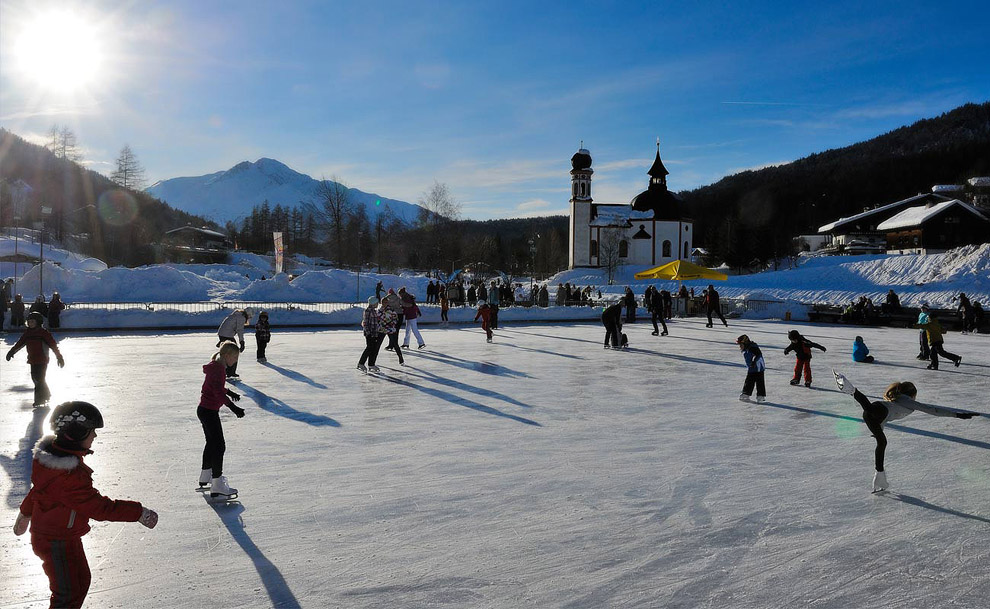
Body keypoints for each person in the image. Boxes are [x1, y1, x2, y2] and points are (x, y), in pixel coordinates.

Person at [13, 401, 159, 609]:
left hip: (61, 536)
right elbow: (98, 507)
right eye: (91, 432)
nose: (95, 437)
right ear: (76, 433)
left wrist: (25, 514)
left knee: (80, 582)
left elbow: (38, 492)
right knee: (68, 593)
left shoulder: (54, 464)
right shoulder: (68, 476)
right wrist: (137, 512)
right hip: (57, 542)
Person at [832, 371, 975, 492]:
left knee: (881, 441)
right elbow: (933, 410)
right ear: (912, 394)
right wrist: (956, 414)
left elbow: (887, 417)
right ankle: (852, 391)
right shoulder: (908, 402)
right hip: (879, 411)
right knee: (872, 418)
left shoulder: (899, 399)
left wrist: (879, 429)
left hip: (875, 416)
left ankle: (879, 476)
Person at [198, 341, 246, 498]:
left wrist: (229, 391)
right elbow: (217, 392)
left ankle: (206, 475)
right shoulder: (219, 370)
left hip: (204, 410)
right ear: (227, 356)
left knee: (212, 443)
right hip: (209, 411)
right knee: (219, 446)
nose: (236, 361)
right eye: (235, 357)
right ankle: (217, 483)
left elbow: (215, 386)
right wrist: (233, 408)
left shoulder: (215, 367)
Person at [6, 312, 65, 406]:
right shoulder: (27, 333)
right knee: (36, 379)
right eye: (29, 322)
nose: (30, 323)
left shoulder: (43, 333)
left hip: (42, 359)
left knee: (39, 379)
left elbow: (53, 345)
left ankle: (39, 399)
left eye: (32, 321)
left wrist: (59, 357)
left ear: (38, 322)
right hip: (32, 359)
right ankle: (47, 395)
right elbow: (20, 343)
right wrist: (12, 351)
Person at [217, 308, 252, 379]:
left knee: (228, 352)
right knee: (234, 352)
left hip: (223, 334)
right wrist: (242, 342)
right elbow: (240, 330)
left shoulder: (237, 314)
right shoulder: (241, 317)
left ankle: (228, 371)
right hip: (227, 335)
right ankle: (230, 372)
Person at [736, 334, 766, 403]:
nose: (740, 346)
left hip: (758, 368)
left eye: (741, 344)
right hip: (752, 368)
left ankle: (760, 396)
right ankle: (746, 394)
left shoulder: (752, 347)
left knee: (759, 381)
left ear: (745, 343)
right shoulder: (747, 348)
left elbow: (758, 354)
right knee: (749, 381)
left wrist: (753, 362)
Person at [357, 296, 383, 373]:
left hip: (375, 333)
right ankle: (361, 363)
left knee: (374, 349)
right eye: (377, 303)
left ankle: (371, 364)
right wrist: (368, 333)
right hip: (370, 333)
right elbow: (365, 323)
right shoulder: (367, 311)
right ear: (373, 303)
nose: (378, 304)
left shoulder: (374, 311)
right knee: (369, 348)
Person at [378, 298, 405, 365]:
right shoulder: (379, 310)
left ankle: (400, 358)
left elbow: (396, 318)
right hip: (382, 329)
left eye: (386, 302)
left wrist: (392, 324)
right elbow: (377, 319)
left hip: (390, 329)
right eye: (383, 302)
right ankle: (373, 361)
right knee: (377, 345)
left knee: (395, 344)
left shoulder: (391, 310)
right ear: (381, 303)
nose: (385, 303)